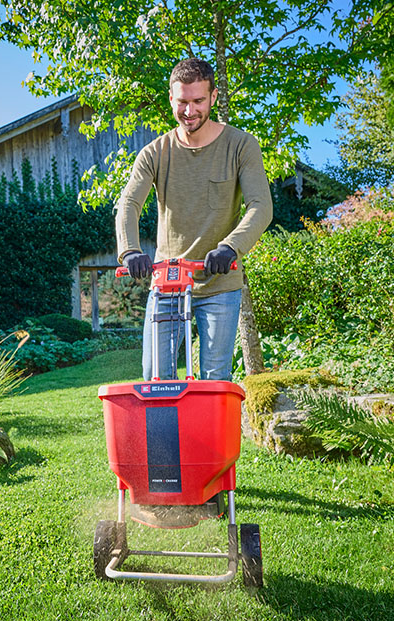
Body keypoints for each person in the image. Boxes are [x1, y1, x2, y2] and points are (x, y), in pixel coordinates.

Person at [115, 57, 272, 382]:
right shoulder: (155, 153)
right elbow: (129, 203)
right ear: (171, 98)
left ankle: (207, 435)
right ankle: (165, 436)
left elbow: (261, 205)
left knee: (215, 380)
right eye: (182, 102)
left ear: (214, 97)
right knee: (155, 378)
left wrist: (231, 247)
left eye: (198, 101)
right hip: (168, 282)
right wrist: (130, 250)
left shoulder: (241, 146)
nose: (190, 111)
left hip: (220, 283)